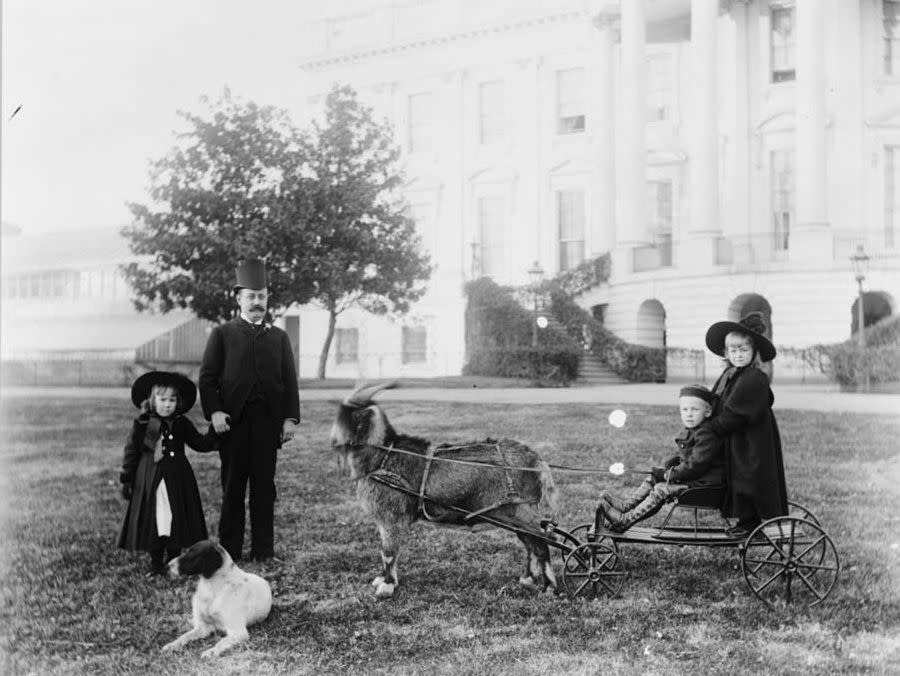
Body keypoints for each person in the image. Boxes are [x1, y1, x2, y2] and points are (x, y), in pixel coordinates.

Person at [198, 258, 300, 562]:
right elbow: (207, 378)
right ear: (239, 298)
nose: (258, 302)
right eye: (251, 296)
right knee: (232, 490)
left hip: (267, 427)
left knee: (264, 490)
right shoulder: (222, 335)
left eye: (262, 296)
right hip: (233, 426)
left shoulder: (279, 338)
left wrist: (290, 418)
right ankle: (228, 551)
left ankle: (263, 550)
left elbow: (289, 382)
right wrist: (215, 412)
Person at [118, 371, 218, 575]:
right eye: (162, 399)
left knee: (175, 517)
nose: (167, 404)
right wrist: (127, 478)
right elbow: (131, 452)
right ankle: (156, 564)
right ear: (152, 400)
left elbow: (200, 443)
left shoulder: (181, 423)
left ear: (178, 402)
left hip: (177, 478)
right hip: (150, 478)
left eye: (172, 400)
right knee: (156, 518)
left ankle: (174, 561)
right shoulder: (142, 424)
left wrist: (215, 431)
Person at [704, 311, 788, 537]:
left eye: (743, 350)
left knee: (747, 478)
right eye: (733, 350)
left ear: (754, 352)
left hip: (751, 441)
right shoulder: (731, 374)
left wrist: (713, 427)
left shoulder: (753, 378)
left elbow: (735, 414)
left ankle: (751, 524)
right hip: (737, 439)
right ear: (726, 352)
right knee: (737, 477)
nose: (738, 355)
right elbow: (716, 399)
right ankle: (745, 521)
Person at [598, 385, 725, 532]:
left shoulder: (706, 435)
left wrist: (668, 474)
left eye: (695, 410)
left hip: (705, 485)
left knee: (660, 489)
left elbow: (695, 465)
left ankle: (625, 521)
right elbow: (689, 458)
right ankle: (626, 506)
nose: (689, 414)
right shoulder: (694, 430)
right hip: (694, 480)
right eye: (684, 410)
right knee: (652, 479)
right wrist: (671, 464)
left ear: (708, 411)